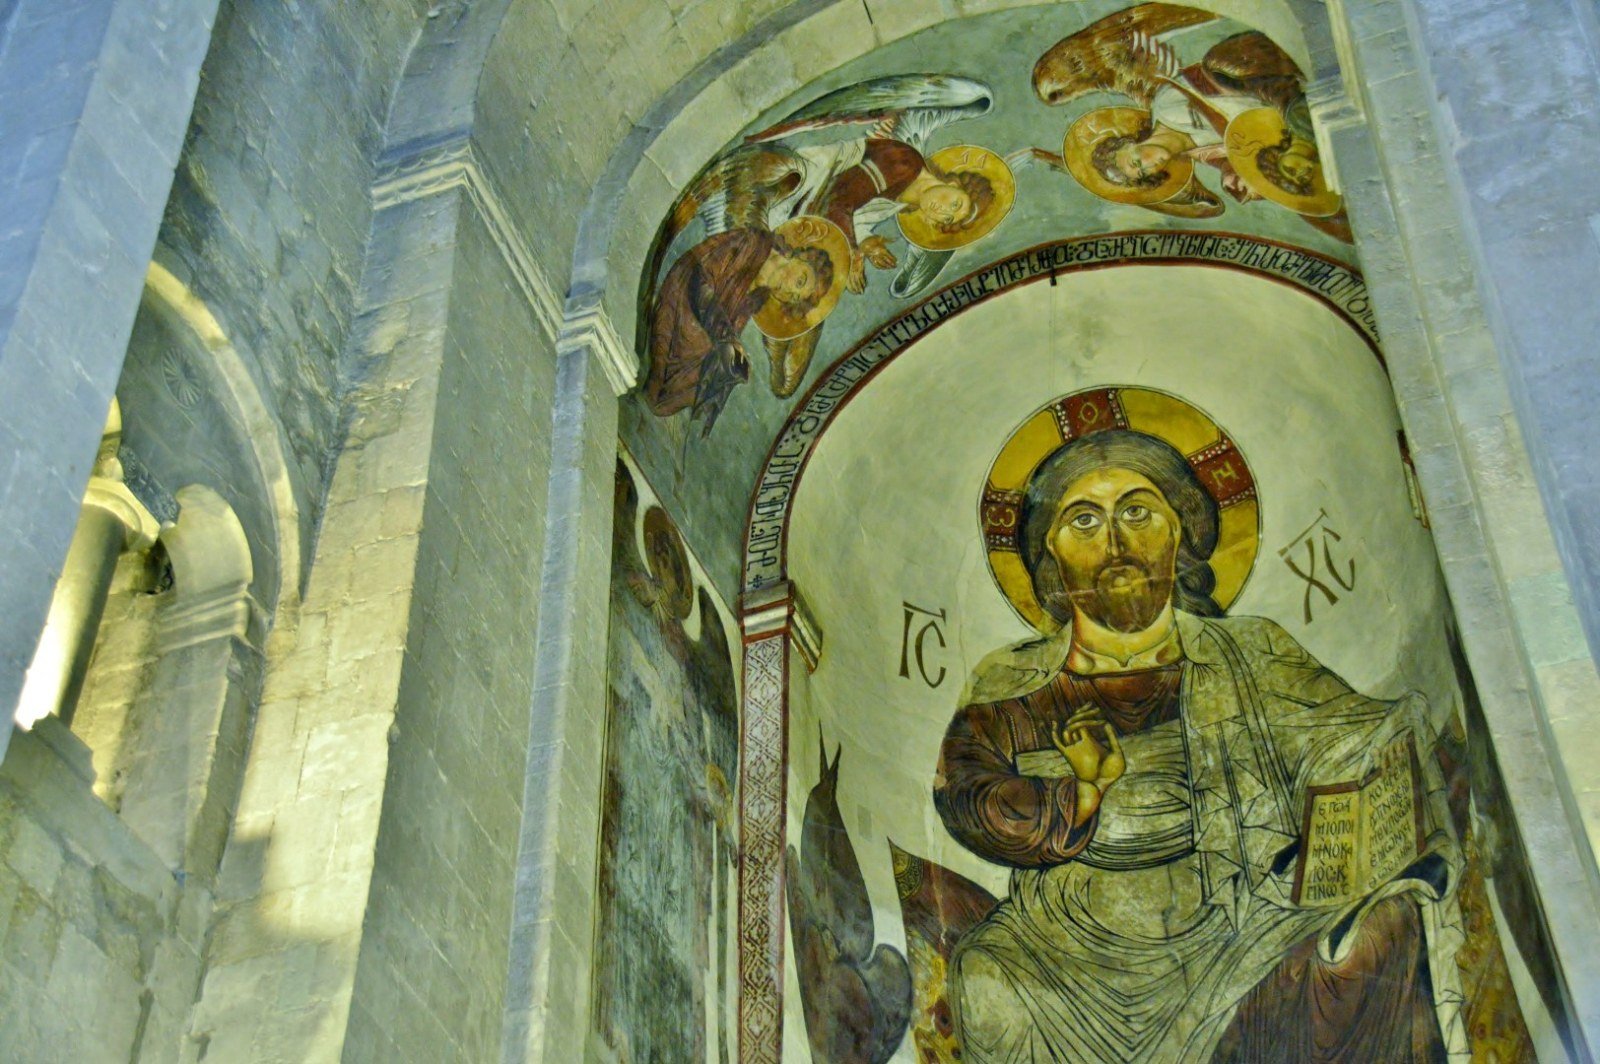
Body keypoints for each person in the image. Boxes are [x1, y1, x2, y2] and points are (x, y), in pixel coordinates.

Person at [934, 429, 1466, 1062]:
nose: (1114, 540)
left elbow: (1345, 743)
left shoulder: (1251, 651)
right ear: (1051, 554)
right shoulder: (1014, 680)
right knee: (987, 983)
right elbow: (965, 793)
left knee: (1367, 942)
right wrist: (1081, 792)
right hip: (1062, 941)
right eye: (1083, 520)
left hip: (1246, 921)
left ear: (1177, 532)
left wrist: (1372, 766)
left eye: (1137, 511)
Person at [643, 227, 833, 427]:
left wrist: (732, 350)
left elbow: (734, 323)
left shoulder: (759, 296)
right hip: (685, 292)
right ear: (796, 255)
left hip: (705, 323)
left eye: (794, 297)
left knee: (713, 369)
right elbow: (700, 277)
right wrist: (725, 335)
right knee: (698, 344)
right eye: (800, 281)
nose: (789, 291)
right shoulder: (751, 242)